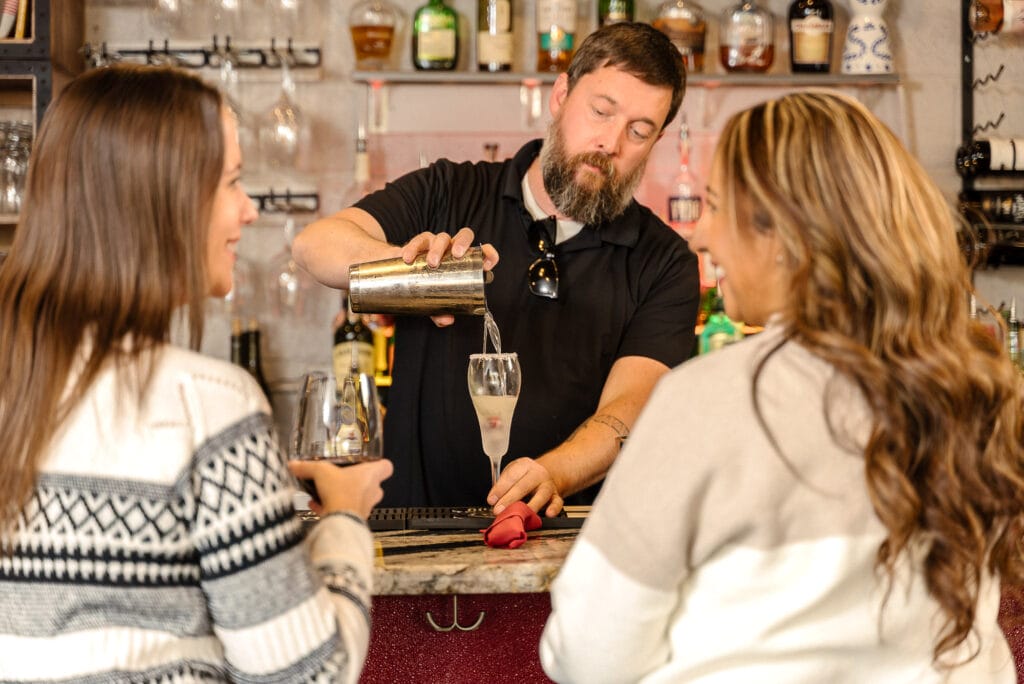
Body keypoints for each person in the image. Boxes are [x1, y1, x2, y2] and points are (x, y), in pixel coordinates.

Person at [540, 91, 1024, 682]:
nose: (700, 236)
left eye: (716, 207)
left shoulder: (708, 399)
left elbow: (590, 656)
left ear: (785, 235)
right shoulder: (973, 388)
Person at [0, 64, 392, 683]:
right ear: (163, 201)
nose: (250, 210)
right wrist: (344, 518)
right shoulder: (207, 406)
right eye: (232, 182)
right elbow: (310, 674)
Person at [292, 22, 700, 516]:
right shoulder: (448, 191)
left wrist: (555, 471)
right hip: (414, 536)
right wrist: (414, 266)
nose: (611, 142)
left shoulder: (664, 261)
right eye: (601, 111)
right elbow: (315, 247)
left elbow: (632, 404)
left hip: (560, 544)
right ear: (561, 95)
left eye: (639, 131)